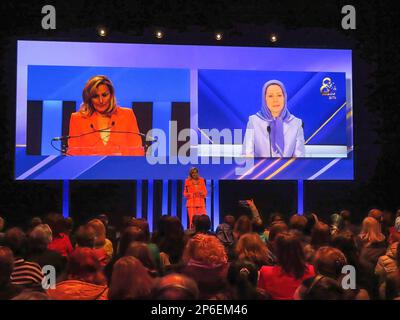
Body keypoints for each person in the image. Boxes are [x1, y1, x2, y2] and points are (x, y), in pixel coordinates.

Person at [68, 75, 144, 156]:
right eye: (95, 96)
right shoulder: (77, 119)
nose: (101, 101)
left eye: (104, 95)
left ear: (111, 95)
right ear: (89, 98)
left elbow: (137, 152)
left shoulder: (127, 115)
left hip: (121, 167)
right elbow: (73, 154)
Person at [243, 80, 305, 157]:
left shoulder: (296, 123)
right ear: (264, 99)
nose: (275, 100)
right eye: (270, 96)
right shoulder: (254, 121)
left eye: (279, 95)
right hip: (261, 168)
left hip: (289, 169)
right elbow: (247, 154)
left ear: (284, 98)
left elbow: (299, 157)